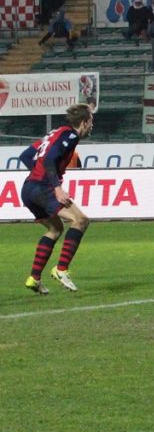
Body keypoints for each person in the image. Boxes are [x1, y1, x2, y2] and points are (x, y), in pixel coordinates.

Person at [19, 104, 94, 294]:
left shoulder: (55, 133)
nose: (92, 126)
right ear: (84, 122)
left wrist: (38, 175)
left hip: (29, 189)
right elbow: (50, 159)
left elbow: (26, 156)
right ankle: (61, 269)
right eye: (91, 122)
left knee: (55, 229)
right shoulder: (71, 135)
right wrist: (56, 187)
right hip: (43, 188)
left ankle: (34, 278)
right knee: (80, 220)